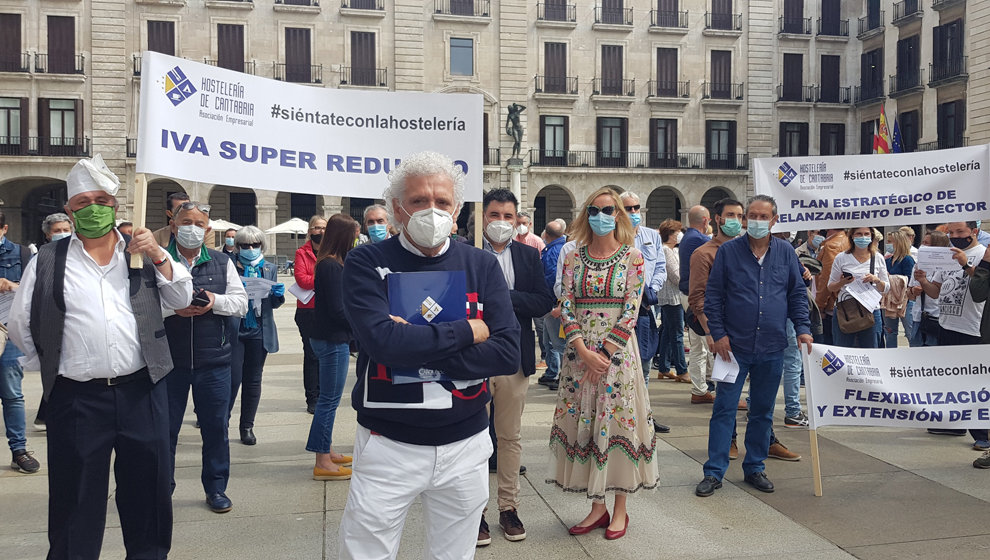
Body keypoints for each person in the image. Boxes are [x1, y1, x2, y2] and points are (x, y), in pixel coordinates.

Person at [8, 154, 193, 559]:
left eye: (102, 202)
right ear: (70, 212)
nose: (93, 210)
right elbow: (23, 327)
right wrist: (64, 365)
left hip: (142, 393)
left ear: (115, 207)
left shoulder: (141, 253)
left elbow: (183, 299)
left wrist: (161, 255)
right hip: (77, 400)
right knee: (75, 502)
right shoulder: (48, 260)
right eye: (83, 204)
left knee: (149, 496)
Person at [337, 151, 520, 559]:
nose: (431, 210)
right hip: (389, 444)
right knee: (365, 552)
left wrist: (413, 346)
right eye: (419, 201)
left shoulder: (481, 265)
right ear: (397, 208)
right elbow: (381, 343)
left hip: (466, 443)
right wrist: (469, 331)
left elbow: (508, 352)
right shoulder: (367, 262)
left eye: (442, 202)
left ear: (456, 211)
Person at [548, 187, 657, 540]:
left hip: (619, 356)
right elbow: (566, 303)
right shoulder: (572, 256)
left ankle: (620, 508)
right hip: (579, 355)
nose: (601, 215)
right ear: (585, 214)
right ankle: (597, 508)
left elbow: (631, 309)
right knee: (587, 424)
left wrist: (605, 354)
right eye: (594, 209)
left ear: (619, 215)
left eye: (608, 209)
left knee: (619, 424)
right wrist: (581, 349)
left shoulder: (633, 257)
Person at [695, 195, 813, 498]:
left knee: (762, 411)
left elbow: (797, 294)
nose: (757, 221)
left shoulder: (786, 253)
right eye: (752, 216)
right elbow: (714, 295)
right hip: (733, 348)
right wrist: (717, 334)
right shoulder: (729, 252)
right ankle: (714, 471)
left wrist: (803, 329)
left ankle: (756, 467)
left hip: (772, 346)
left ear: (774, 220)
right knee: (724, 409)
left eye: (764, 217)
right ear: (745, 219)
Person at [476, 188, 553, 544]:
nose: (502, 223)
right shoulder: (466, 255)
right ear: (483, 218)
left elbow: (542, 300)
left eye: (509, 217)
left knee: (509, 437)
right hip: (474, 358)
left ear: (518, 220)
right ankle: (475, 512)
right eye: (495, 215)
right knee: (473, 438)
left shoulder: (527, 255)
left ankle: (509, 508)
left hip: (512, 358)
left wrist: (501, 297)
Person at [163, 202, 248, 514]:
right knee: (165, 429)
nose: (192, 228)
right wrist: (174, 308)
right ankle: (162, 488)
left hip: (214, 361)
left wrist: (214, 301)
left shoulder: (222, 261)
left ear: (208, 230)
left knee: (215, 428)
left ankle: (216, 488)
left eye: (199, 223)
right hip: (169, 362)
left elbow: (241, 304)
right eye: (186, 222)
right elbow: (141, 308)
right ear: (173, 225)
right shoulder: (160, 260)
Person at [916, 221, 989, 450]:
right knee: (952, 380)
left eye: (961, 232)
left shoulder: (981, 254)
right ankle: (956, 423)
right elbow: (936, 292)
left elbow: (983, 287)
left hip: (973, 328)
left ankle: (982, 434)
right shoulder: (945, 256)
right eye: (951, 232)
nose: (955, 236)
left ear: (974, 232)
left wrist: (965, 263)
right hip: (946, 324)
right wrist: (923, 281)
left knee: (974, 383)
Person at [308, 214, 358, 480]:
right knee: (328, 401)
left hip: (329, 337)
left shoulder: (330, 263)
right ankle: (322, 460)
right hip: (332, 339)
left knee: (329, 399)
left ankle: (325, 449)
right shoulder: (331, 266)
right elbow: (338, 309)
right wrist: (360, 323)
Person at [229, 226, 284, 446]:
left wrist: (277, 296)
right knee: (232, 379)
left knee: (253, 380)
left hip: (260, 330)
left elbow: (273, 304)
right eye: (245, 245)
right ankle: (222, 422)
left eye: (255, 245)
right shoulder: (229, 266)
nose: (250, 249)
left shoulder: (268, 268)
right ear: (238, 247)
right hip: (236, 329)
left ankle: (247, 426)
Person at [687, 199, 742, 404]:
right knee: (726, 391)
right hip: (721, 329)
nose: (736, 220)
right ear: (717, 219)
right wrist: (710, 332)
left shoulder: (746, 251)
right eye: (730, 215)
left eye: (739, 216)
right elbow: (697, 297)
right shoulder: (703, 253)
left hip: (746, 329)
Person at [0, 210, 40, 474]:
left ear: (3, 228)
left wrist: (14, 286)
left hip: (8, 329)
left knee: (12, 393)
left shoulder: (24, 255)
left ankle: (19, 450)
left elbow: (40, 289)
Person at [826, 227, 888, 349]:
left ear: (871, 237)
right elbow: (830, 287)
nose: (863, 237)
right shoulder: (841, 258)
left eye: (866, 234)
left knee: (871, 352)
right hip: (846, 310)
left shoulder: (878, 257)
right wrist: (842, 282)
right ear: (852, 236)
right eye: (859, 234)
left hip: (870, 310)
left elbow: (886, 287)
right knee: (843, 351)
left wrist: (876, 280)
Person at [293, 215, 326, 414]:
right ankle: (312, 397)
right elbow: (302, 280)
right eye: (316, 227)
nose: (320, 232)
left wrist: (317, 278)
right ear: (309, 231)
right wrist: (325, 279)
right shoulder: (301, 252)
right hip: (307, 310)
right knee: (312, 354)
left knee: (326, 354)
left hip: (327, 309)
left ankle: (325, 394)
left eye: (323, 228)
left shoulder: (332, 252)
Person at [678, 205, 712, 389]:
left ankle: (700, 388)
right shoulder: (700, 239)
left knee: (698, 346)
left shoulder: (687, 238)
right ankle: (710, 385)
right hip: (698, 297)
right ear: (705, 221)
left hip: (687, 294)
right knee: (709, 344)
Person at [655, 219, 687, 381]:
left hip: (669, 296)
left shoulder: (672, 250)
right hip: (672, 296)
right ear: (671, 234)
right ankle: (682, 370)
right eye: (677, 232)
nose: (680, 235)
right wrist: (688, 283)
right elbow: (676, 275)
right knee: (677, 334)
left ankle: (664, 367)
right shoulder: (666, 251)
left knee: (668, 332)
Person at [537, 219, 567, 390]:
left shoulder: (553, 251)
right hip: (556, 302)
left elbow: (550, 278)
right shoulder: (560, 248)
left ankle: (563, 376)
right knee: (550, 340)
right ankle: (554, 372)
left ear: (546, 235)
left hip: (554, 303)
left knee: (559, 343)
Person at [907, 231, 949, 347]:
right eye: (922, 243)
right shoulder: (918, 265)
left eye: (927, 243)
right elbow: (909, 294)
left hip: (937, 318)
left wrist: (925, 283)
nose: (922, 246)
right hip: (918, 317)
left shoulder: (946, 267)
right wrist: (913, 291)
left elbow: (938, 293)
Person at [815, 227, 850, 346]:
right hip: (845, 303)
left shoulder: (831, 246)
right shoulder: (848, 241)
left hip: (832, 305)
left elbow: (826, 279)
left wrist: (820, 305)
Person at [882, 230, 916, 348]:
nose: (888, 244)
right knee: (890, 332)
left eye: (890, 242)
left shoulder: (907, 260)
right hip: (889, 301)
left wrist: (890, 278)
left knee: (910, 332)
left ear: (899, 242)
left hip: (905, 301)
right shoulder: (887, 260)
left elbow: (910, 280)